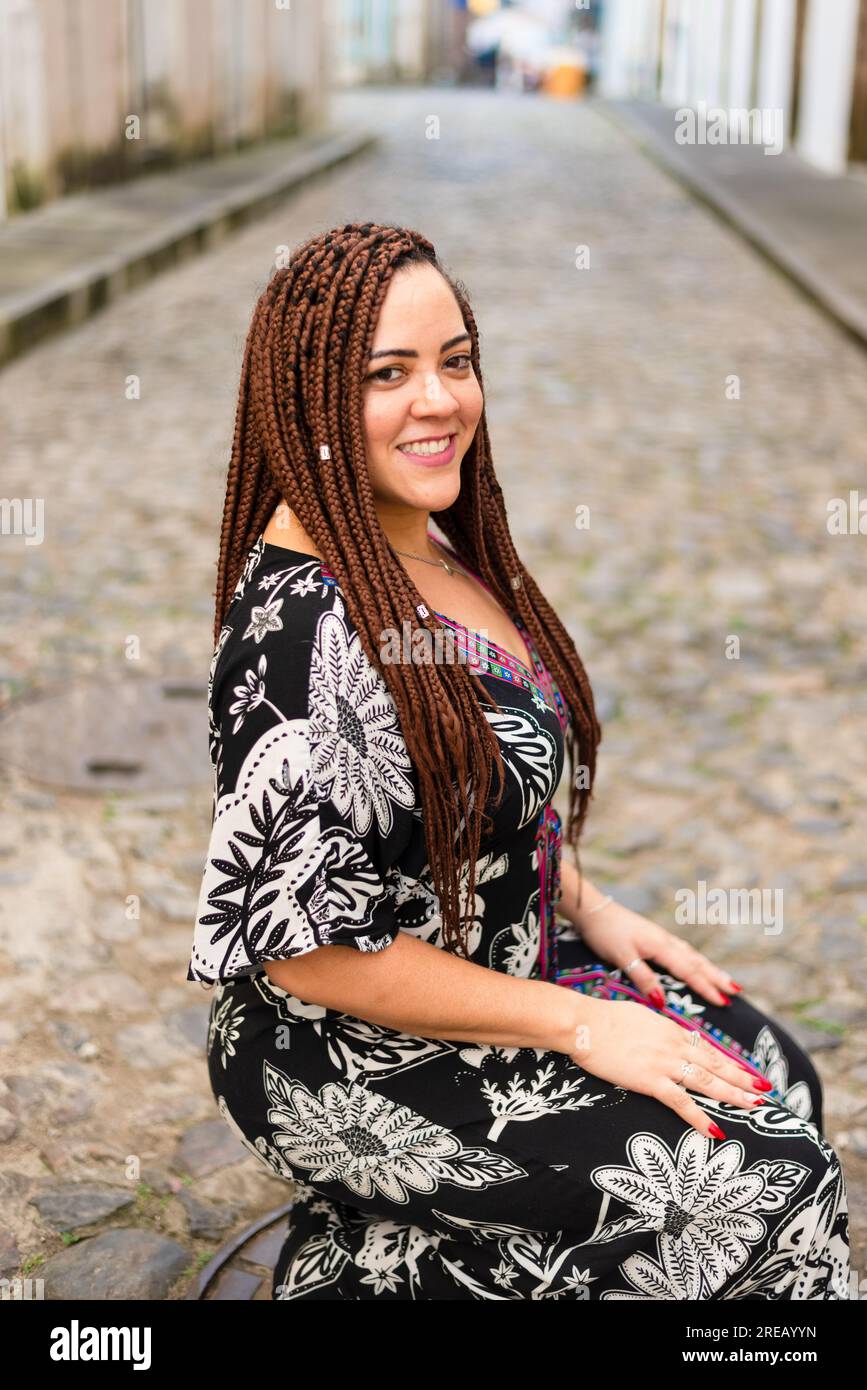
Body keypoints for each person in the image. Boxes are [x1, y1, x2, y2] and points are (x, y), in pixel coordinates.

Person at [187, 222, 850, 1300]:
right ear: (306, 397)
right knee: (765, 1189)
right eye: (386, 374)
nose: (439, 400)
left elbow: (472, 786)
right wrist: (589, 1025)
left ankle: (432, 1254)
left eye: (455, 359)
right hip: (350, 1046)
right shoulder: (302, 633)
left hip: (502, 961)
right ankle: (385, 1260)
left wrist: (588, 904)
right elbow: (306, 954)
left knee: (779, 1072)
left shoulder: (408, 524)